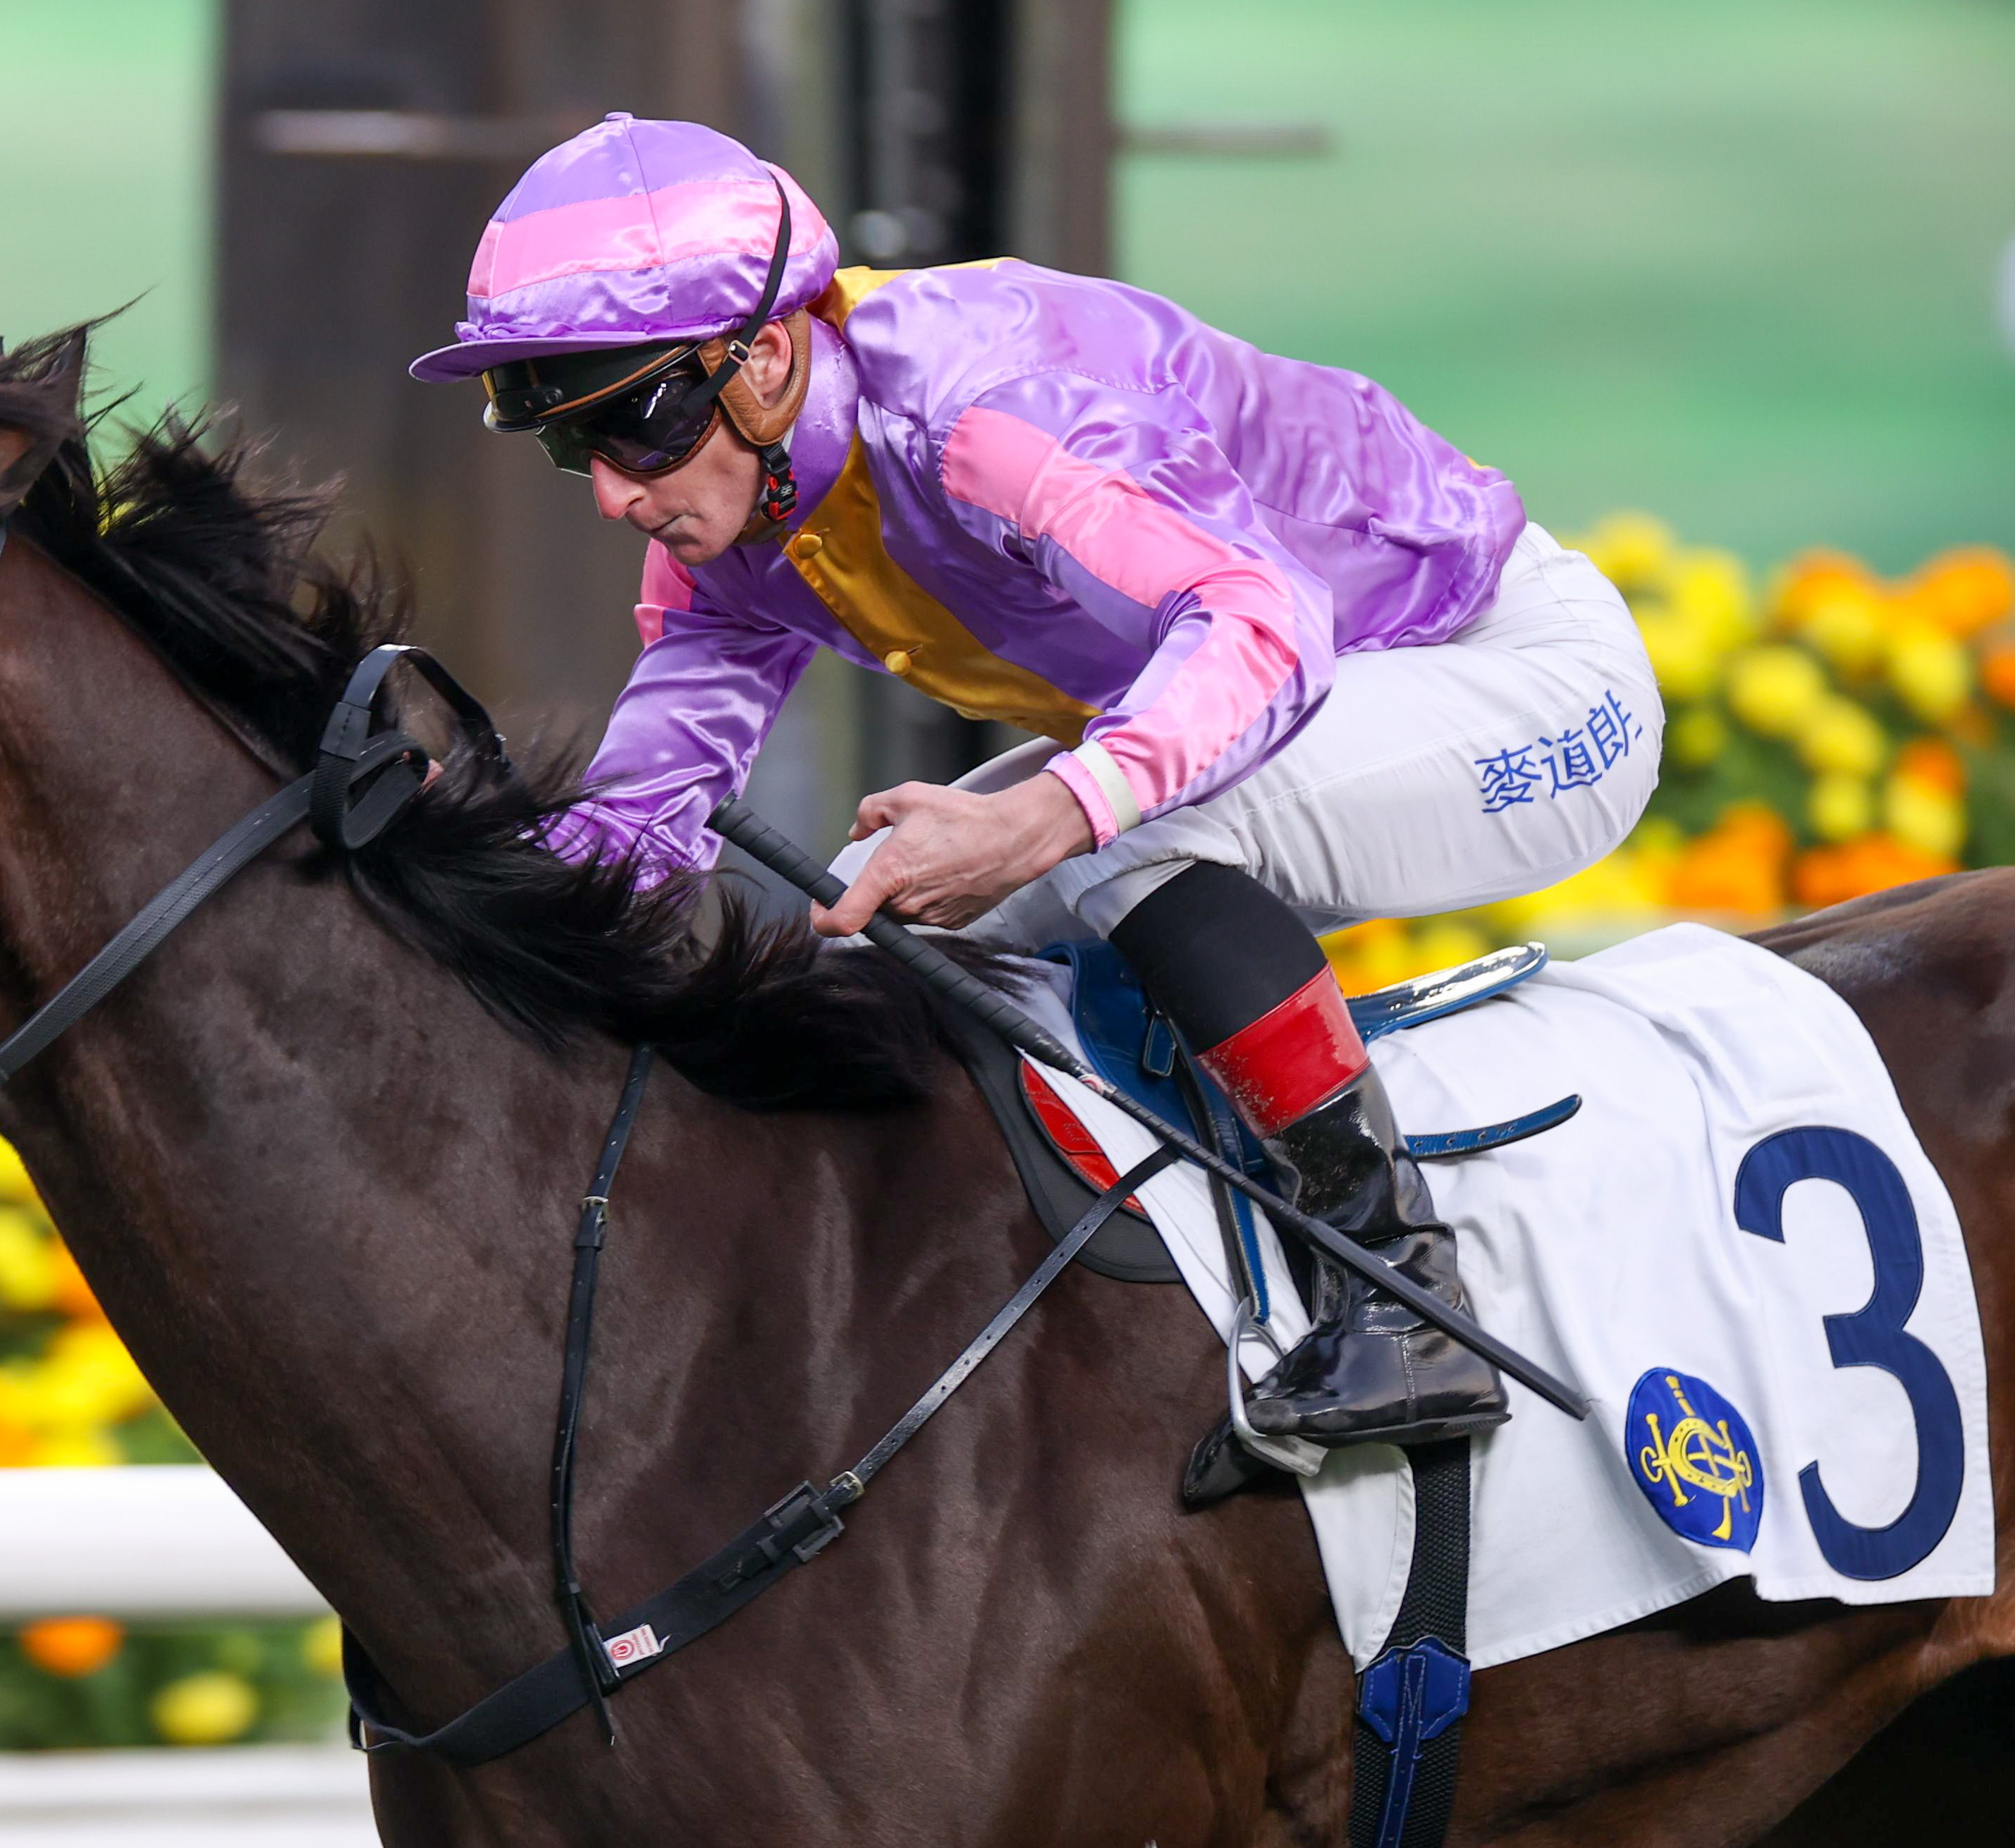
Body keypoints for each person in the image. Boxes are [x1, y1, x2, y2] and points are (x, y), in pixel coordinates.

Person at [410, 114, 1659, 1459]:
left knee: (1118, 834)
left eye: (632, 426)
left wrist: (1044, 814)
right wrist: (451, 888)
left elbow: (1262, 624)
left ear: (763, 359)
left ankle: (1402, 1295)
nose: (610, 494)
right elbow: (634, 833)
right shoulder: (725, 522)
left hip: (1513, 676)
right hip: (1286, 710)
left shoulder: (982, 409)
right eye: (566, 445)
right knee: (879, 931)